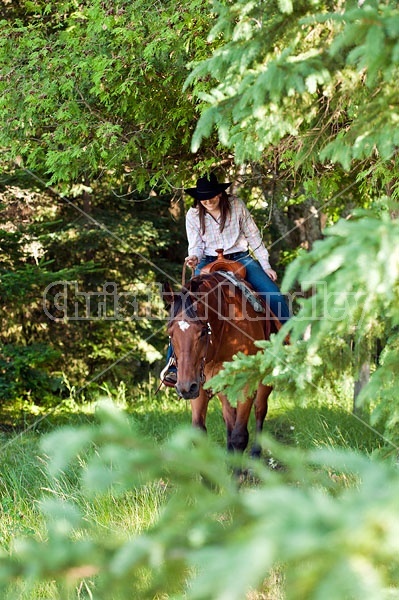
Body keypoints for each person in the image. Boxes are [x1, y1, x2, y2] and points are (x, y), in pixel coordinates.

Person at [160, 173, 290, 386]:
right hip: (208, 261)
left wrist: (265, 265)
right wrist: (193, 257)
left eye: (211, 196)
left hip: (241, 258)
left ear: (220, 193)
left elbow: (253, 236)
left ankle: (290, 345)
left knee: (273, 295)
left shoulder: (236, 205)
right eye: (203, 198)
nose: (208, 201)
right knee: (183, 308)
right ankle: (173, 364)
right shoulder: (193, 215)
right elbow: (196, 245)